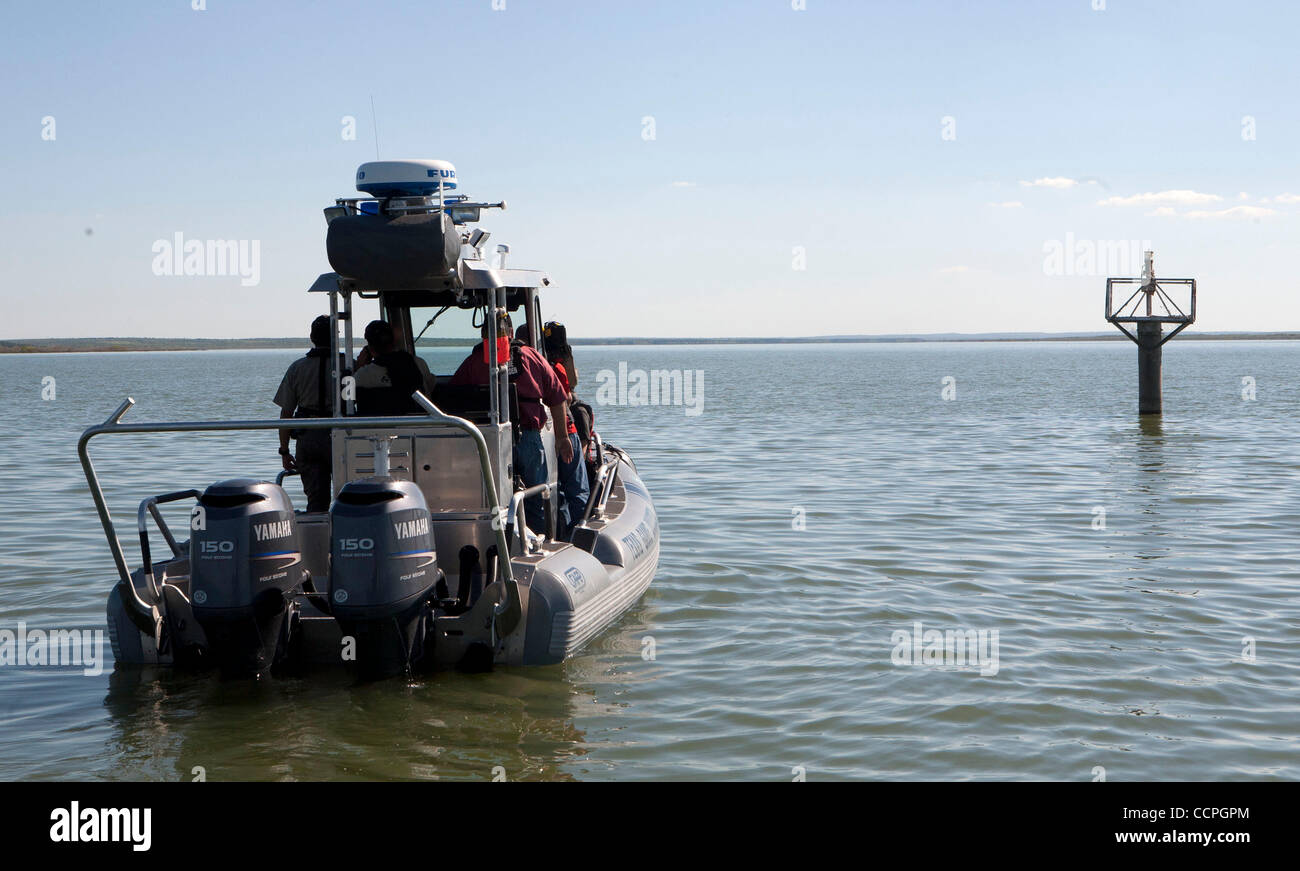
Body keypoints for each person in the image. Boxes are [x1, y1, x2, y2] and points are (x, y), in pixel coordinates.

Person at [450, 311, 572, 535]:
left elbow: (453, 397)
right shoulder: (532, 356)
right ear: (511, 331)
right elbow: (557, 397)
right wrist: (563, 437)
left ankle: (499, 543)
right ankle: (541, 541)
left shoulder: (474, 361)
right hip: (529, 437)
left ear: (484, 333)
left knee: (495, 501)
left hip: (489, 441)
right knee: (537, 495)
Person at [274, 315, 336, 512]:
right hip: (341, 436)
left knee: (316, 501)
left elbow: (286, 413)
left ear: (312, 337)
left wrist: (284, 450)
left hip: (308, 438)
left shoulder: (297, 368)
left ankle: (317, 537)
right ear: (336, 336)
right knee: (350, 496)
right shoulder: (348, 366)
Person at [542, 325, 589, 535]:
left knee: (556, 488)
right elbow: (566, 395)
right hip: (566, 432)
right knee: (577, 488)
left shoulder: (538, 365)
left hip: (545, 434)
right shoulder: (557, 368)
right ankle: (579, 533)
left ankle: (558, 531)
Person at [353, 319, 437, 415]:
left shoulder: (363, 375)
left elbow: (348, 399)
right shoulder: (419, 363)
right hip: (421, 424)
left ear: (369, 346)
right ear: (393, 341)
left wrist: (358, 368)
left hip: (383, 428)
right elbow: (429, 388)